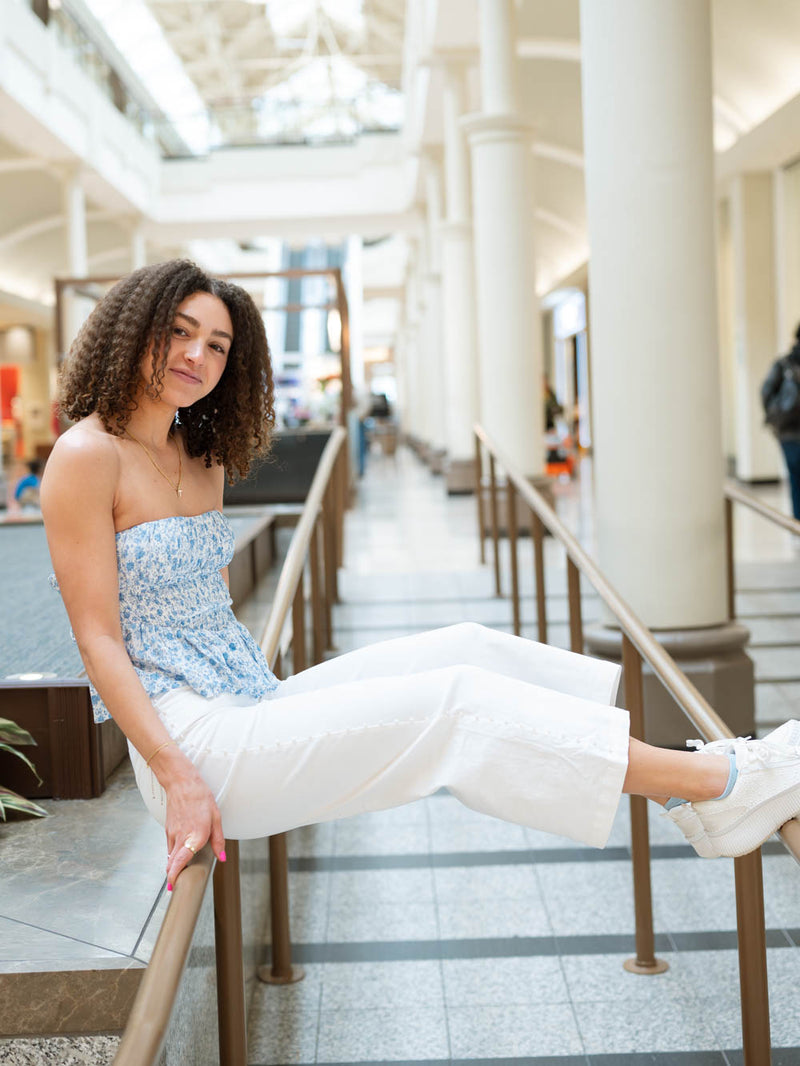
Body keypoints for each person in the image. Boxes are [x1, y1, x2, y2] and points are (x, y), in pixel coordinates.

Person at [41, 259, 800, 891]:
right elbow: (99, 641)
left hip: (249, 698)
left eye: (216, 344)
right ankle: (717, 787)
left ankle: (687, 766)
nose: (197, 357)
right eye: (178, 333)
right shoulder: (86, 456)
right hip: (190, 741)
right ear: (134, 329)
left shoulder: (197, 457)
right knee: (457, 706)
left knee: (468, 647)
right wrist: (178, 778)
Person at [761, 323, 800, 520]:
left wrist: (774, 418)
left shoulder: (784, 364)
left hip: (787, 432)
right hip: (789, 432)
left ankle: (797, 522)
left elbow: (766, 392)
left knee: (795, 478)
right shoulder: (784, 365)